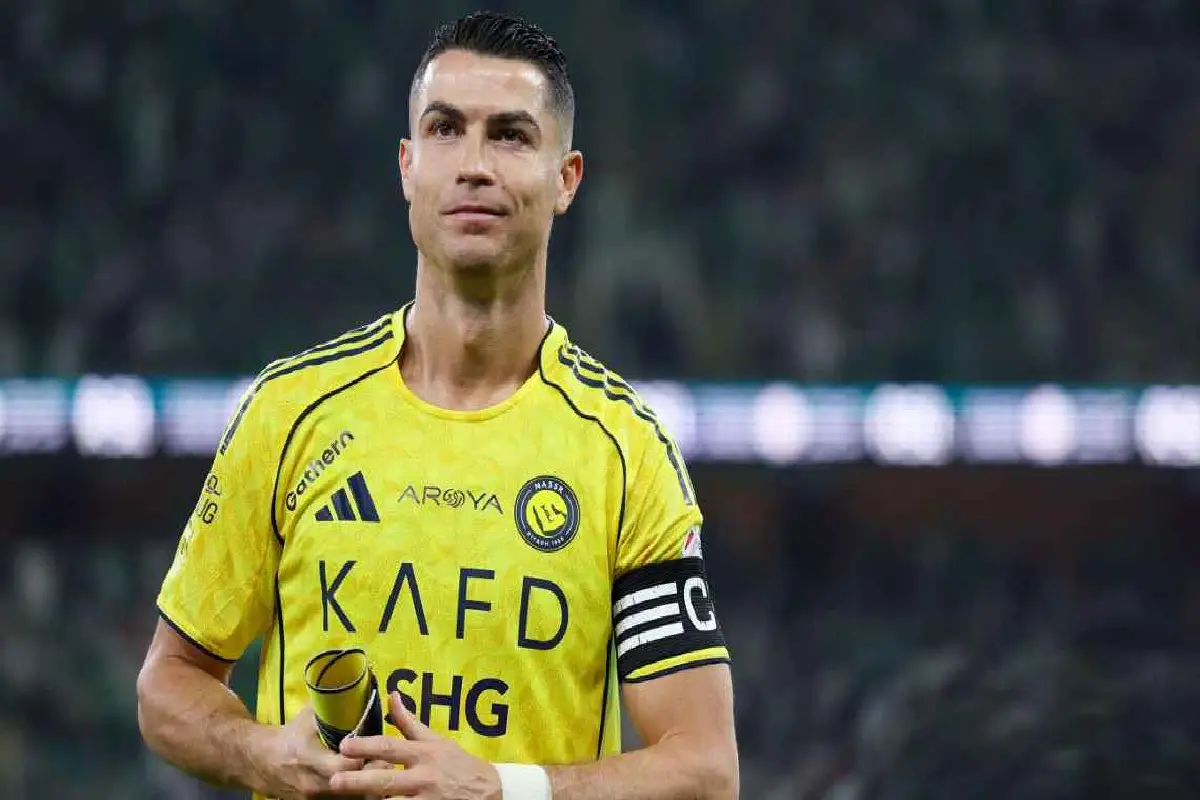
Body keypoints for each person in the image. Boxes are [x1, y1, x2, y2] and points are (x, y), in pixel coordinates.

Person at [136, 10, 738, 800]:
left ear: (566, 179)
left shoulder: (625, 452)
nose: (474, 165)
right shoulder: (290, 413)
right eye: (446, 129)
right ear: (407, 166)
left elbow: (705, 768)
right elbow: (167, 683)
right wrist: (261, 752)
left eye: (511, 136)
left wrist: (504, 789)